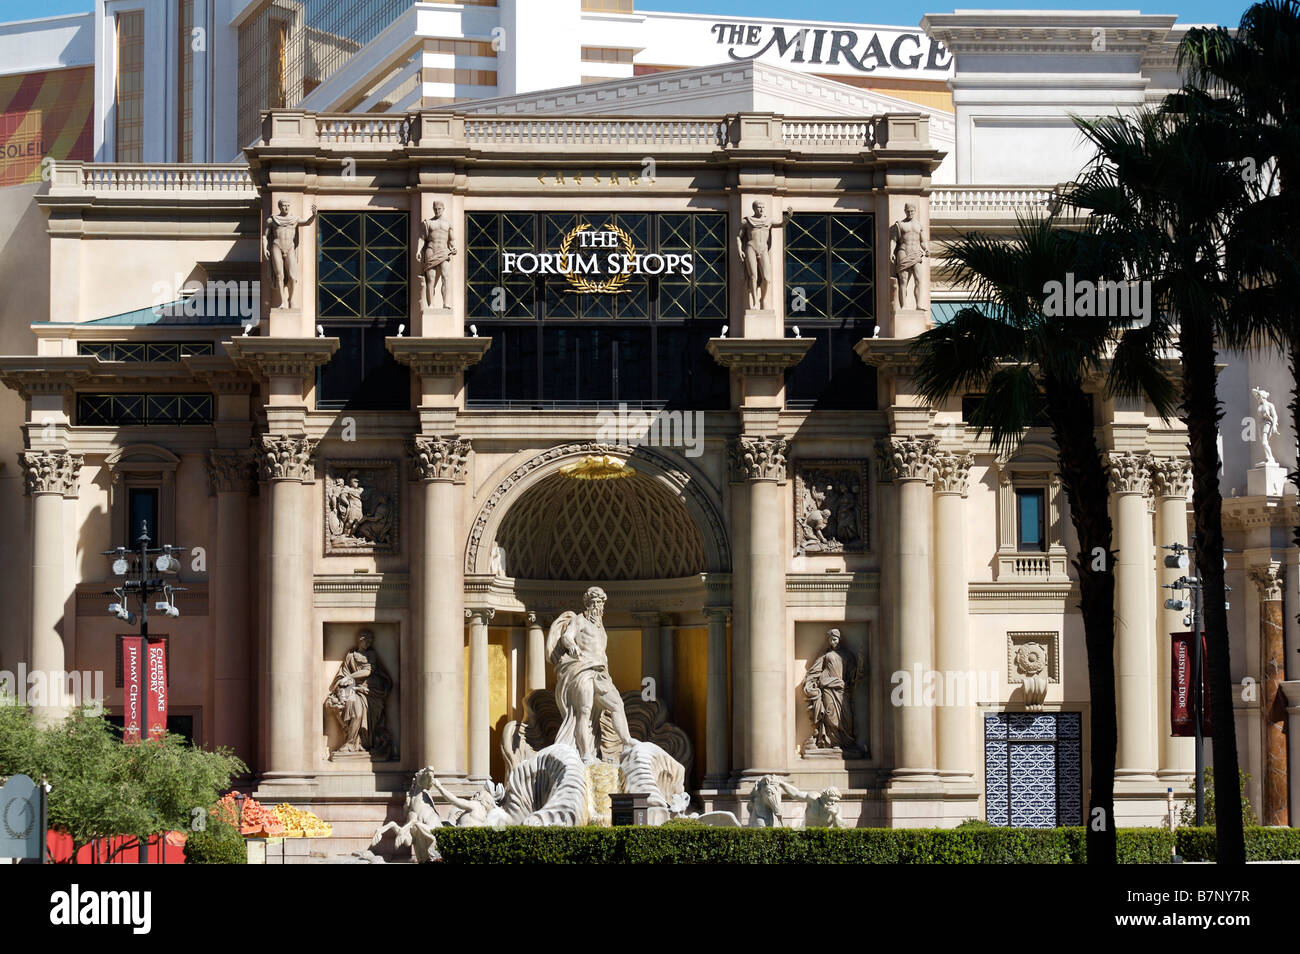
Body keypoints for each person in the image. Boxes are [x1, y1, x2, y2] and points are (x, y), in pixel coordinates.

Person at [545, 586, 636, 763]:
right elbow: (567, 636)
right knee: (584, 711)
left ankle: (626, 741)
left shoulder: (600, 627)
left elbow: (602, 652)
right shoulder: (579, 620)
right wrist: (572, 645)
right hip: (582, 670)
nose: (596, 605)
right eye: (593, 602)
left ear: (603, 604)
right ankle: (586, 754)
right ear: (587, 603)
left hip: (601, 672)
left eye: (600, 602)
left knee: (617, 704)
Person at [803, 628, 862, 752]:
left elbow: (852, 674)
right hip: (828, 688)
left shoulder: (848, 655)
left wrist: (859, 669)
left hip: (842, 689)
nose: (833, 642)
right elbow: (814, 671)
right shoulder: (825, 656)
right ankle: (832, 742)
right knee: (830, 715)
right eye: (830, 640)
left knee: (846, 717)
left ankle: (845, 743)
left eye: (834, 639)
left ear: (839, 639)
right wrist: (810, 683)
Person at [263, 199, 317, 309]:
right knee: (279, 275)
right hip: (277, 246)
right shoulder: (272, 220)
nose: (286, 207)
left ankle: (291, 299)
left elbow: (307, 222)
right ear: (280, 207)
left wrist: (314, 215)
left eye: (288, 205)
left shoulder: (294, 219)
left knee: (293, 276)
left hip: (290, 247)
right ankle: (283, 301)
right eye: (284, 206)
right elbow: (265, 235)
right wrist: (264, 248)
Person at [418, 200, 456, 309]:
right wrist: (418, 251)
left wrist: (454, 248)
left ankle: (446, 303)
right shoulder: (428, 223)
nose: (437, 210)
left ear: (443, 209)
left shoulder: (448, 224)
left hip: (444, 251)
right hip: (431, 250)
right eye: (435, 208)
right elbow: (422, 238)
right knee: (431, 278)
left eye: (439, 208)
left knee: (446, 277)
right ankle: (431, 304)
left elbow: (452, 239)